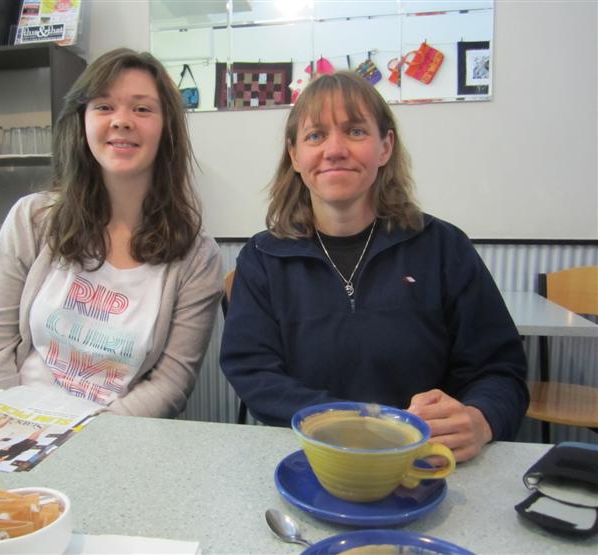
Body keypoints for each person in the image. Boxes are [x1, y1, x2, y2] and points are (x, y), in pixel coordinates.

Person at [220, 71, 528, 462]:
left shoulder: (444, 248)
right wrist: (360, 425)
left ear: (385, 147)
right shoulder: (262, 260)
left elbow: (500, 369)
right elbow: (253, 372)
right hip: (307, 459)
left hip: (429, 464)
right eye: (315, 136)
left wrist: (481, 419)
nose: (334, 149)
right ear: (295, 155)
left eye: (355, 131)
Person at [0, 48, 224, 418]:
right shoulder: (32, 219)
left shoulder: (197, 255)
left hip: (115, 440)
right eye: (104, 106)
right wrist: (11, 427)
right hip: (15, 429)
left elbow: (171, 383)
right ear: (82, 122)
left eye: (142, 108)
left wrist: (89, 440)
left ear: (166, 126)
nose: (121, 120)